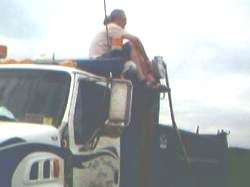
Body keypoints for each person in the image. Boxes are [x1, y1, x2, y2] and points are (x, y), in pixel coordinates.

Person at [89, 9, 159, 87]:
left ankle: (147, 76)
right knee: (131, 44)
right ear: (119, 19)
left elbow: (117, 49)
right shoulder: (112, 26)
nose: (125, 25)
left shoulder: (113, 33)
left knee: (131, 50)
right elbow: (136, 40)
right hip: (100, 59)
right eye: (124, 21)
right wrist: (146, 59)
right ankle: (142, 77)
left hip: (101, 58)